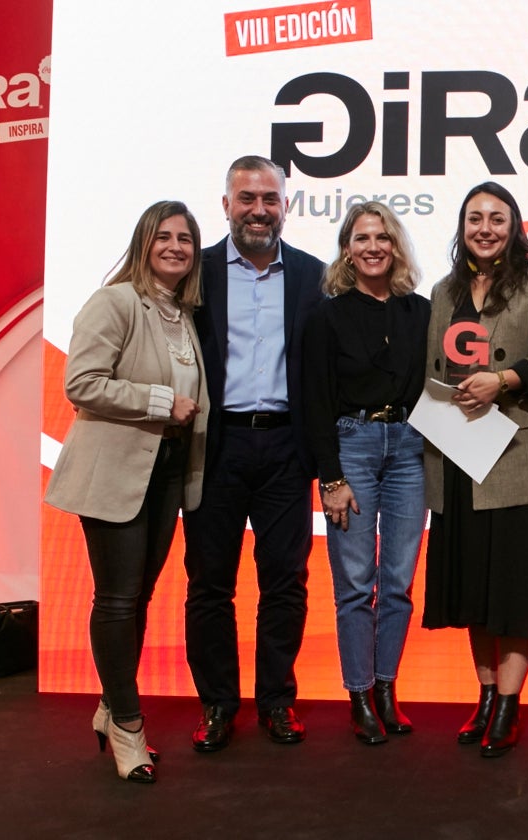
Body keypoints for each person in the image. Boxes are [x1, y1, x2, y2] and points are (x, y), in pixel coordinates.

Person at [45, 201, 208, 782]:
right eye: (163, 237)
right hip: (114, 471)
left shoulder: (182, 313)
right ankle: (129, 727)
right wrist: (162, 402)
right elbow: (82, 384)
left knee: (137, 598)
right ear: (142, 243)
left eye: (185, 239)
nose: (175, 247)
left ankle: (111, 705)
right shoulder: (114, 302)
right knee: (115, 600)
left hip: (165, 470)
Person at [422, 182, 528, 758]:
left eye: (497, 219)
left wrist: (504, 380)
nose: (485, 228)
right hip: (459, 458)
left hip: (519, 457)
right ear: (461, 226)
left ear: (515, 226)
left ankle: (509, 707)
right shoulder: (443, 290)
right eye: (475, 218)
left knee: (514, 589)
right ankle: (484, 698)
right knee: (472, 589)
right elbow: (431, 369)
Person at [183, 155, 326, 751]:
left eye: (270, 199)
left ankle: (277, 702)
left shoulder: (315, 275)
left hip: (288, 447)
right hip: (216, 446)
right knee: (209, 585)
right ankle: (218, 705)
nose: (259, 210)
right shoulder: (197, 272)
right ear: (226, 206)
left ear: (286, 207)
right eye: (247, 199)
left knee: (286, 582)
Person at [303, 202, 430, 744]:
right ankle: (357, 695)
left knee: (397, 582)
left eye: (382, 236)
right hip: (350, 446)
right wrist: (330, 478)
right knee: (355, 584)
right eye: (361, 238)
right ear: (347, 249)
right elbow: (313, 400)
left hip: (409, 448)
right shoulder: (325, 315)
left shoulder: (421, 312)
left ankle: (385, 689)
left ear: (395, 246)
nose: (373, 246)